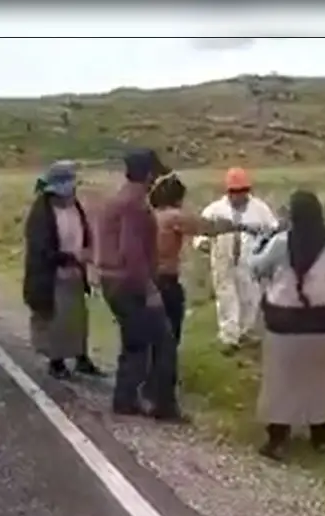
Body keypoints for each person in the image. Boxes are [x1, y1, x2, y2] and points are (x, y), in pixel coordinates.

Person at [248, 190, 325, 460]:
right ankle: (319, 437)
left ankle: (278, 438)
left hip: (286, 325)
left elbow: (256, 269)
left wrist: (261, 242)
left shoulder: (280, 243)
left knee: (280, 381)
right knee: (320, 381)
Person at [95, 147, 185, 422]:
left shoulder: (118, 200)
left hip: (113, 280)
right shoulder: (134, 205)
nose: (155, 180)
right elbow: (131, 252)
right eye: (154, 174)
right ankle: (162, 405)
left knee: (134, 342)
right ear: (147, 174)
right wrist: (149, 290)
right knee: (164, 341)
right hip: (129, 283)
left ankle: (125, 399)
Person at [148, 171, 265, 347]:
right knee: (170, 333)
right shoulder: (174, 217)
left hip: (147, 278)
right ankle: (165, 371)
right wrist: (242, 226)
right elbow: (207, 227)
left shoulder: (150, 215)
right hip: (165, 279)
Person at [22, 160, 105, 380]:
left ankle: (81, 357)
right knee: (57, 319)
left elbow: (82, 233)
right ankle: (56, 361)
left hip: (75, 273)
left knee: (77, 317)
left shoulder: (74, 205)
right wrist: (70, 257)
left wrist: (86, 253)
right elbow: (42, 250)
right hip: (52, 276)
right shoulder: (42, 213)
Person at [192, 167, 279, 352]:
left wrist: (265, 246)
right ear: (228, 191)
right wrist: (204, 244)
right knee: (226, 296)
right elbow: (199, 236)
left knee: (251, 296)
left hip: (251, 259)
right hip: (223, 258)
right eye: (235, 191)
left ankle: (247, 333)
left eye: (242, 190)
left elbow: (273, 230)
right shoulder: (214, 211)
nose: (239, 195)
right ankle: (229, 337)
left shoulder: (260, 209)